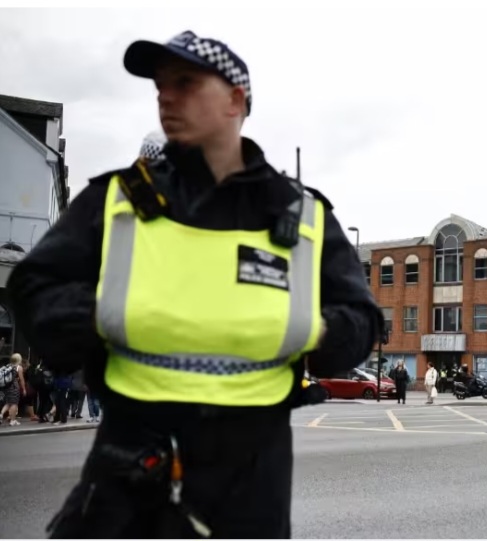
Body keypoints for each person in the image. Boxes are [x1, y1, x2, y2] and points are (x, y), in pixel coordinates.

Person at [7, 30, 380, 538]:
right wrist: (107, 314)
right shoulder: (119, 199)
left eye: (185, 83)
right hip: (129, 465)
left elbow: (362, 326)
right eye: (160, 85)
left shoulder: (301, 215)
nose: (166, 95)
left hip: (249, 480)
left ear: (235, 100)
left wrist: (306, 328)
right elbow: (32, 288)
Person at [0, 353, 26, 426]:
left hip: (6, 387)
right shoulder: (18, 367)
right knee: (14, 403)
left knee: (8, 402)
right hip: (14, 387)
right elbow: (21, 379)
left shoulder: (8, 366)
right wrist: (24, 389)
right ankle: (13, 420)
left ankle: (1, 415)